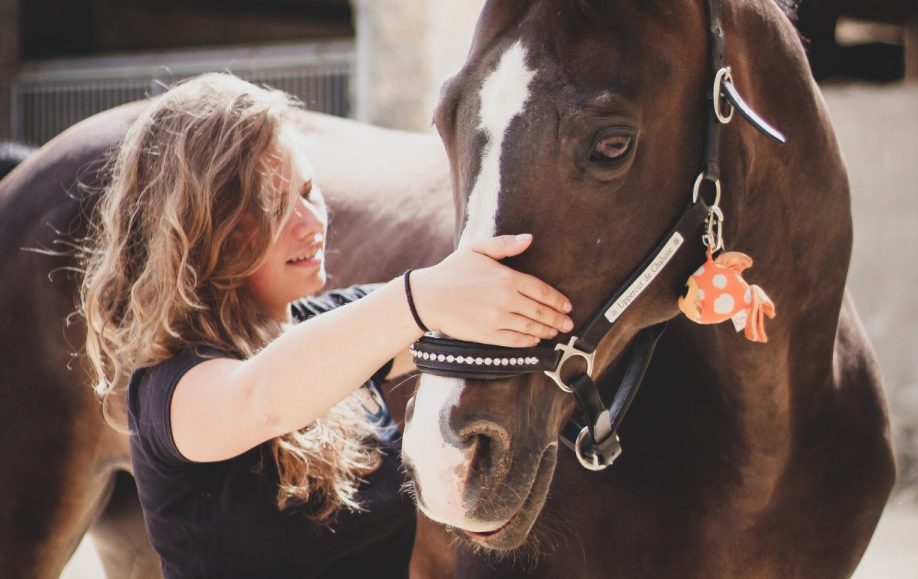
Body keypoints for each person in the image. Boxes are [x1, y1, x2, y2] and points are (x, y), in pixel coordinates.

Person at [79, 73, 574, 578]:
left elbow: (470, 320)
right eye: (274, 204)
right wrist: (420, 297)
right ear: (199, 228)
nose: (312, 223)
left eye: (310, 191)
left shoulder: (334, 328)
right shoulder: (170, 388)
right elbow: (262, 401)